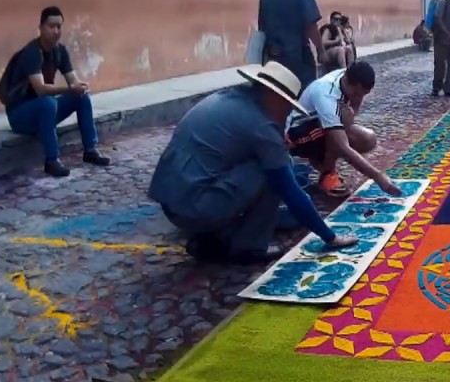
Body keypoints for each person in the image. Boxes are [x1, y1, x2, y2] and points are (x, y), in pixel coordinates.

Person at [147, 63, 350, 263]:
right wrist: (330, 237)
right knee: (274, 173)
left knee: (276, 166)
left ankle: (219, 236)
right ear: (275, 98)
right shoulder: (262, 125)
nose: (287, 114)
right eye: (287, 107)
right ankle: (249, 247)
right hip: (194, 208)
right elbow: (289, 189)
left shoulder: (230, 98)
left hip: (174, 200)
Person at [0, 6, 112, 177]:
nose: (56, 31)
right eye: (51, 26)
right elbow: (41, 89)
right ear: (41, 28)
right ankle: (52, 160)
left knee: (81, 98)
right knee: (48, 102)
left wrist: (79, 87)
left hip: (43, 110)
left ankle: (90, 150)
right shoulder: (32, 53)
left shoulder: (60, 51)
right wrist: (69, 88)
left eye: (59, 26)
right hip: (19, 115)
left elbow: (72, 81)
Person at [285, 61, 399, 198]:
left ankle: (321, 160)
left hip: (319, 126)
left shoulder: (348, 77)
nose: (359, 98)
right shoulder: (326, 95)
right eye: (357, 94)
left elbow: (352, 111)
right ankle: (327, 174)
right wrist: (378, 178)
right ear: (352, 84)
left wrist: (348, 118)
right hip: (298, 134)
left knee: (367, 139)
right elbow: (343, 145)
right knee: (338, 132)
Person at [259, 0, 325, 90]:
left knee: (275, 93)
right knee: (305, 93)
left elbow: (262, 29)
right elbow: (311, 27)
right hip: (297, 58)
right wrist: (320, 51)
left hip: (272, 58)